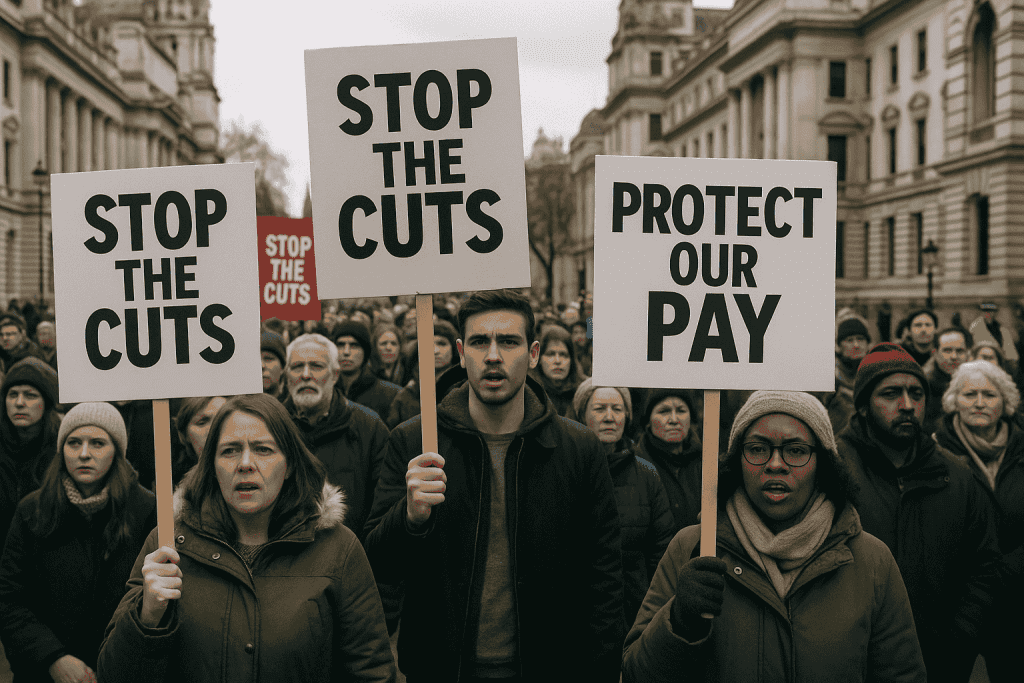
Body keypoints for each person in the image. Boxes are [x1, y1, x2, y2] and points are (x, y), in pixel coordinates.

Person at [364, 289, 623, 682]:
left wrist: (601, 669)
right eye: (480, 341)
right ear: (460, 351)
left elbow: (604, 573)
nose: (493, 356)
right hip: (442, 670)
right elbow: (377, 563)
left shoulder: (579, 449)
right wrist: (410, 517)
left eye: (509, 341)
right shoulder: (414, 443)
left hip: (551, 669)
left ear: (533, 353)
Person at [623, 390, 926, 682]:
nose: (776, 464)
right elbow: (636, 673)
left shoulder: (871, 561)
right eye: (757, 449)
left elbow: (901, 674)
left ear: (823, 463)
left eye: (795, 450)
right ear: (737, 461)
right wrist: (678, 622)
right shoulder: (693, 547)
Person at [97, 394, 396, 683]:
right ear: (211, 466)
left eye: (263, 449)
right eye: (229, 450)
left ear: (290, 464)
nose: (245, 463)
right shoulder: (167, 546)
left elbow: (372, 671)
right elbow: (114, 675)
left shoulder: (338, 550)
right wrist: (146, 616)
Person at [836, 343, 1001, 682]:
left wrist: (963, 635)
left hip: (941, 661)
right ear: (864, 405)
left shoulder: (957, 475)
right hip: (851, 660)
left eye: (916, 393)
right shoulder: (832, 470)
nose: (908, 405)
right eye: (891, 394)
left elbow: (985, 565)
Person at [0, 403, 156, 683]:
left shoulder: (146, 511)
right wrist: (53, 658)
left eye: (97, 443)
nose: (84, 454)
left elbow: (152, 600)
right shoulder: (32, 511)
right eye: (74, 443)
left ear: (117, 451)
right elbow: (10, 598)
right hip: (43, 673)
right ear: (62, 451)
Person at [934, 360, 1024, 683]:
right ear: (953, 401)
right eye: (969, 394)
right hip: (959, 601)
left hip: (1017, 601)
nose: (980, 402)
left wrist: (1010, 567)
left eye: (990, 394)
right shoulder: (934, 451)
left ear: (1007, 402)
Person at [573, 378, 673, 633]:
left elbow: (660, 553)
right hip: (576, 618)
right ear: (581, 414)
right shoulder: (564, 470)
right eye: (599, 409)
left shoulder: (647, 475)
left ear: (627, 416)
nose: (609, 417)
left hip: (636, 618)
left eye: (617, 409)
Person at [283, 333, 389, 541]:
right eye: (297, 367)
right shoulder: (270, 426)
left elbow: (383, 508)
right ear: (287, 376)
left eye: (316, 366)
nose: (306, 375)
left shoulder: (369, 427)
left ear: (335, 375)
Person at [0, 359, 60, 554]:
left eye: (30, 395)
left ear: (46, 403)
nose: (19, 403)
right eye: (12, 395)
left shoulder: (64, 449)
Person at [634, 388, 703, 534]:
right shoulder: (634, 466)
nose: (673, 420)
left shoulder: (708, 463)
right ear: (649, 420)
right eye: (664, 411)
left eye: (681, 410)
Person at [385, 321, 459, 430]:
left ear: (454, 349)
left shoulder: (464, 390)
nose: (435, 351)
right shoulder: (406, 396)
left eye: (442, 344)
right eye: (429, 344)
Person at [332, 321, 401, 419]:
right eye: (340, 345)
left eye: (354, 345)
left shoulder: (392, 395)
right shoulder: (326, 391)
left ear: (365, 352)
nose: (346, 352)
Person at [818, 315, 870, 435]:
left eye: (860, 339)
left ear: (868, 344)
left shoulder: (876, 375)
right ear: (839, 346)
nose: (856, 345)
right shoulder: (829, 378)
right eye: (849, 340)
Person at [529, 326, 588, 418]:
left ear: (571, 360)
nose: (557, 361)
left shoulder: (583, 394)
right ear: (539, 359)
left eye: (563, 355)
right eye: (550, 354)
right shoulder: (527, 393)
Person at [923, 327, 972, 434]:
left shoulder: (977, 382)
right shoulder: (923, 385)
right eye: (947, 350)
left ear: (968, 353)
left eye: (959, 351)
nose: (954, 356)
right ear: (935, 353)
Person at [173, 396, 227, 485]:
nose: (214, 429)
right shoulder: (180, 495)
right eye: (202, 422)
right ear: (183, 435)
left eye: (222, 419)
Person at [969, 302, 1019, 373]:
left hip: (1000, 363)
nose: (988, 314)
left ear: (995, 313)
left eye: (991, 311)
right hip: (982, 363)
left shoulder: (1001, 329)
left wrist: (1011, 359)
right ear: (981, 313)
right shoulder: (975, 328)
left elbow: (1008, 347)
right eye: (986, 311)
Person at [260, 331, 287, 401]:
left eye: (268, 359)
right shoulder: (236, 408)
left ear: (283, 367)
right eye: (255, 360)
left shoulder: (296, 407)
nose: (261, 365)